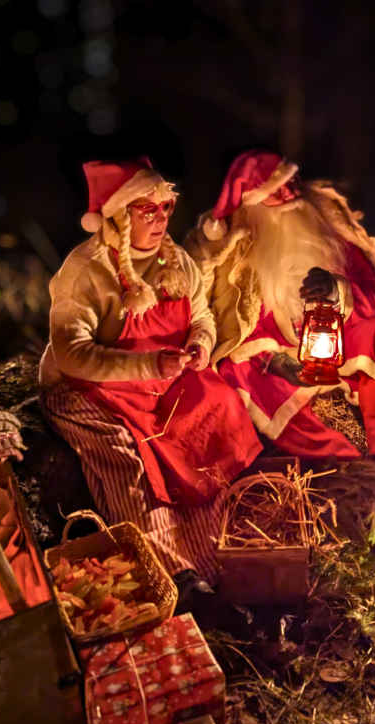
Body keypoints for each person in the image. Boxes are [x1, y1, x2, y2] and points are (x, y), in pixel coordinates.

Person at [38, 158, 263, 595]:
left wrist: (200, 342)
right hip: (90, 387)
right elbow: (72, 355)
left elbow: (202, 316)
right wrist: (148, 365)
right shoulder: (86, 272)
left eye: (167, 208)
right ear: (121, 216)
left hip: (161, 380)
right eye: (148, 210)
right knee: (129, 455)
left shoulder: (175, 261)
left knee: (218, 409)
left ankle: (220, 551)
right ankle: (170, 569)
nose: (161, 218)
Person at [185, 148, 375, 459]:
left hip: (342, 338)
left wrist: (338, 290)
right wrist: (277, 362)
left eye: (293, 182)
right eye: (277, 190)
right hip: (277, 350)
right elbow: (238, 327)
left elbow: (374, 294)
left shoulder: (330, 231)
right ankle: (337, 459)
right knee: (240, 370)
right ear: (254, 200)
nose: (291, 193)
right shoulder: (240, 253)